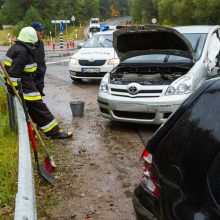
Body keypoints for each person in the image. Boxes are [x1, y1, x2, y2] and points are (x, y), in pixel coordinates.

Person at [4, 26, 73, 139]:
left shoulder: (15, 48)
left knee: (29, 111)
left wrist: (11, 87)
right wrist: (14, 89)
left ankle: (32, 132)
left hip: (25, 84)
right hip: (25, 87)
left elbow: (8, 70)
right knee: (40, 109)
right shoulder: (22, 52)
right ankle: (55, 132)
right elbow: (13, 74)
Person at [30, 21, 46, 96]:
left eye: (42, 30)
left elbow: (42, 59)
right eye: (39, 30)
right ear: (32, 31)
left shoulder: (41, 43)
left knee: (39, 99)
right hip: (32, 80)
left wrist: (43, 69)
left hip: (41, 79)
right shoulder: (28, 44)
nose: (42, 32)